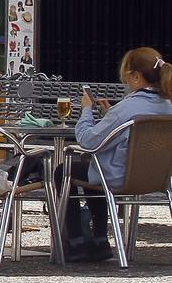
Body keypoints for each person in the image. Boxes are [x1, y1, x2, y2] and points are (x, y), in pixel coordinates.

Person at [63, 47, 172, 262]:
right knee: (93, 169)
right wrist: (108, 116)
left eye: (127, 77)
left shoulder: (125, 109)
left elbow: (88, 141)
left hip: (119, 176)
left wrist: (86, 110)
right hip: (158, 179)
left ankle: (78, 241)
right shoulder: (168, 106)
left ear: (136, 77)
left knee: (65, 170)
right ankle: (99, 240)